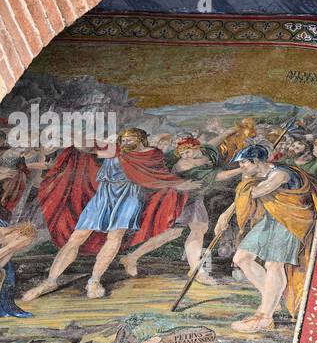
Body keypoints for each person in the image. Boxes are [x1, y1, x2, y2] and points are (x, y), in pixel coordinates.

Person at [23, 127, 199, 301]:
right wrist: (73, 137)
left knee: (114, 237)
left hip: (129, 197)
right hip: (103, 197)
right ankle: (51, 280)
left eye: (130, 139)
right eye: (123, 139)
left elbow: (157, 176)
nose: (125, 142)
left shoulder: (153, 154)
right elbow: (86, 148)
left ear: (141, 140)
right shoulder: (113, 149)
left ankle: (94, 280)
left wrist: (177, 185)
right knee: (77, 237)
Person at [213, 143, 317, 332]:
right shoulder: (256, 175)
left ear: (256, 161)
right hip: (272, 218)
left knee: (274, 264)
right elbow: (244, 196)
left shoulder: (280, 174)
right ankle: (272, 301)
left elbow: (256, 193)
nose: (241, 167)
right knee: (242, 258)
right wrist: (225, 215)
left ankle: (264, 316)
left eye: (244, 163)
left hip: (291, 219)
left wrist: (245, 180)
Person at [120, 137, 220, 285]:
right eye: (183, 152)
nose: (184, 155)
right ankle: (132, 257)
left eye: (188, 151)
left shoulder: (202, 154)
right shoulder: (184, 163)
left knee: (196, 229)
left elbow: (211, 144)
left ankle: (195, 269)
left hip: (195, 198)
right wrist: (240, 170)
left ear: (196, 147)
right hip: (182, 198)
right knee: (176, 232)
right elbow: (216, 176)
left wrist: (230, 131)